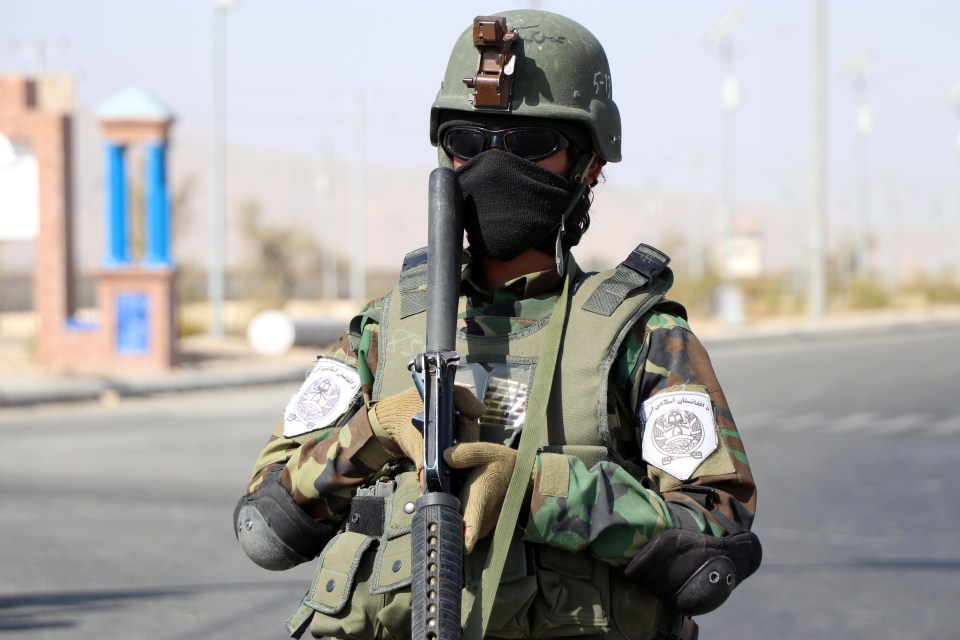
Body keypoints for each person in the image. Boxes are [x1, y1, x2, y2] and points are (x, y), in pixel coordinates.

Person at [234, 10, 761, 640]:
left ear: (589, 164)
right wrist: (371, 433)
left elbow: (708, 553)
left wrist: (534, 491)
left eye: (530, 144)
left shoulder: (636, 336)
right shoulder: (387, 327)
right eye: (468, 141)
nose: (492, 162)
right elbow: (265, 529)